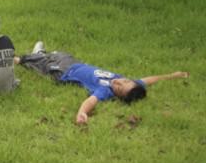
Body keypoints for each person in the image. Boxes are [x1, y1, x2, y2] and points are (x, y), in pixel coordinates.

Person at [17, 41, 190, 125]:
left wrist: (81, 113)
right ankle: (42, 54)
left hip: (63, 73)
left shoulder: (104, 90)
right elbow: (148, 80)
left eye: (119, 88)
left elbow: (90, 101)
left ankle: (20, 60)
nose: (118, 82)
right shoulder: (129, 82)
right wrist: (172, 75)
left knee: (43, 64)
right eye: (124, 81)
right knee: (60, 54)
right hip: (75, 63)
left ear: (117, 95)